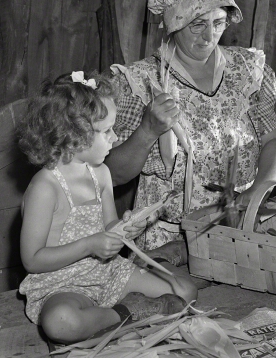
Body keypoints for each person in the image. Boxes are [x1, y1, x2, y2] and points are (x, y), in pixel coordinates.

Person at [105, 0, 276, 256]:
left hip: (242, 231)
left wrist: (260, 188)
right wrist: (148, 131)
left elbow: (275, 141)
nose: (209, 36)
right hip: (168, 242)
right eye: (197, 25)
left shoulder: (249, 70)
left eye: (218, 23)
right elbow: (113, 174)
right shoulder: (138, 82)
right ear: (173, 23)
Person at [17, 71, 197, 345]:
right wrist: (89, 245)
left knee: (186, 291)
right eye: (107, 131)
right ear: (72, 134)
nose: (114, 138)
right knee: (61, 323)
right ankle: (126, 312)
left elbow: (110, 229)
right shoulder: (45, 187)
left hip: (106, 271)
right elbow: (32, 259)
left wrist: (126, 227)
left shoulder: (99, 173)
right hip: (61, 284)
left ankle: (125, 298)